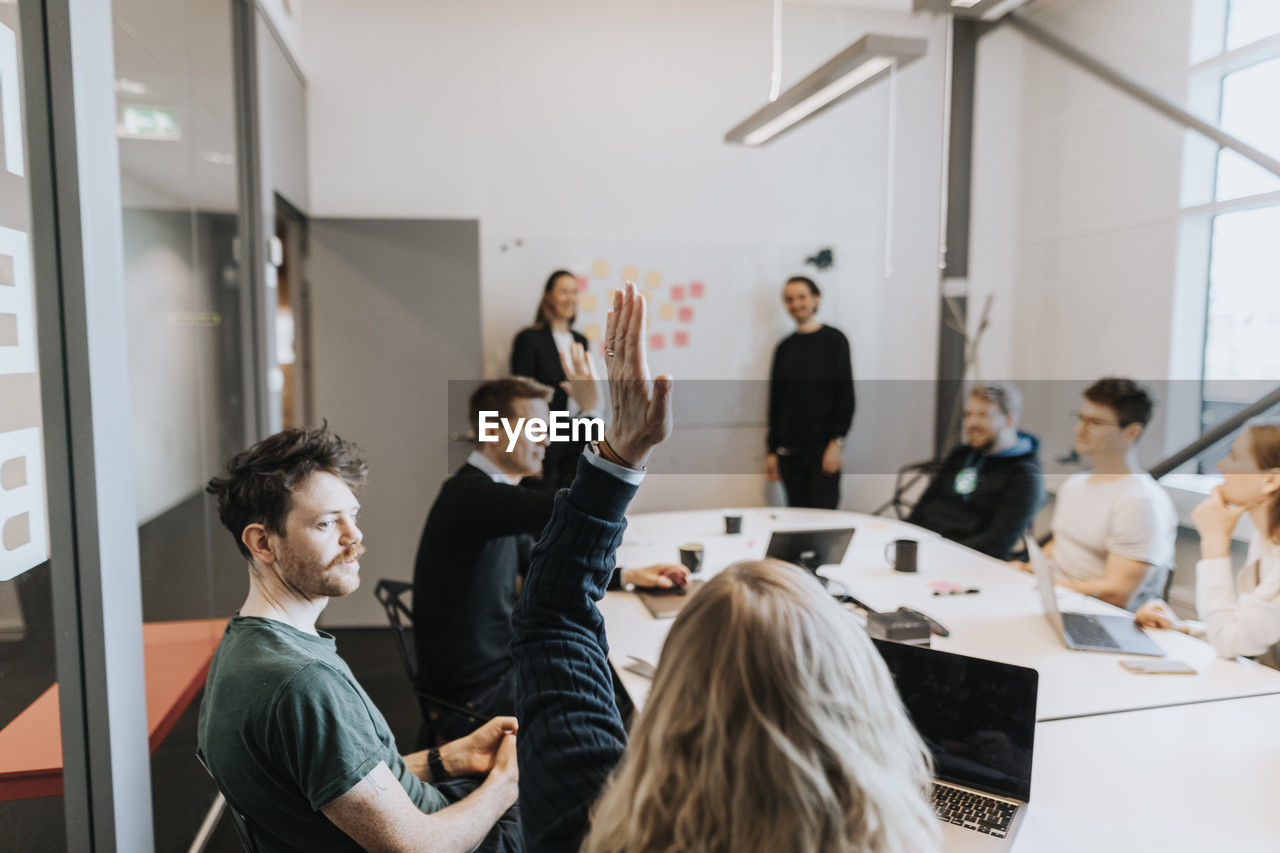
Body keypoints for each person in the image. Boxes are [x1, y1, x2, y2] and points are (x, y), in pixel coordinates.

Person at [512, 284, 939, 852]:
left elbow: (551, 618)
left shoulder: (588, 823)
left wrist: (617, 450)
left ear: (672, 700)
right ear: (863, 711)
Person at [199, 428, 521, 852]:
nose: (354, 538)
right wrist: (505, 784)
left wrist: (448, 759)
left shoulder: (244, 646)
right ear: (263, 543)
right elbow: (417, 849)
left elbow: (333, 781)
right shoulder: (301, 682)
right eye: (327, 523)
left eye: (354, 516)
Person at [413, 367, 689, 743]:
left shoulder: (488, 497)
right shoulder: (471, 497)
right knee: (615, 694)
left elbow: (544, 558)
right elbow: (572, 508)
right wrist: (590, 415)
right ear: (493, 430)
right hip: (476, 697)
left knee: (610, 676)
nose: (546, 440)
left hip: (489, 670)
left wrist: (628, 576)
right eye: (535, 428)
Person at [1011, 377, 1176, 610]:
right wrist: (1025, 569)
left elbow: (1117, 594)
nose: (1080, 429)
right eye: (1080, 418)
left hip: (1099, 618)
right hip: (1055, 604)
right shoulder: (1075, 484)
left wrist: (1045, 585)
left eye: (1095, 423)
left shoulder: (1140, 501)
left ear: (1131, 432)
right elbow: (1063, 544)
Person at [1135, 418, 1280, 662]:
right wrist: (1183, 628)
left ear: (1270, 481)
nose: (1221, 465)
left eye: (1234, 457)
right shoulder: (1265, 540)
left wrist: (1215, 540)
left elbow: (1231, 643)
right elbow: (1245, 632)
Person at [908, 382, 1044, 560]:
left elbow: (997, 543)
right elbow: (921, 509)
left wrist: (940, 555)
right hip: (927, 548)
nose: (972, 423)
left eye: (983, 415)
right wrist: (905, 540)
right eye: (968, 414)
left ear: (1009, 420)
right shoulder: (961, 454)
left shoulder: (1025, 475)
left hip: (966, 561)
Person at [765, 276, 855, 509]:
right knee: (796, 519)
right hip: (789, 454)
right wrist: (772, 451)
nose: (796, 304)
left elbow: (846, 394)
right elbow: (776, 403)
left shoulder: (835, 340)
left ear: (815, 299)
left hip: (824, 451)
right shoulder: (784, 347)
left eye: (801, 297)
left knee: (824, 520)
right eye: (789, 299)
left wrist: (837, 443)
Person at [511, 269, 595, 491]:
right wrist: (529, 446)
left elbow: (587, 391)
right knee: (543, 507)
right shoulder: (528, 340)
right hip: (546, 437)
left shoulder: (581, 341)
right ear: (548, 296)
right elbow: (521, 397)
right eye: (563, 292)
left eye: (575, 292)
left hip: (577, 436)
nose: (570, 298)